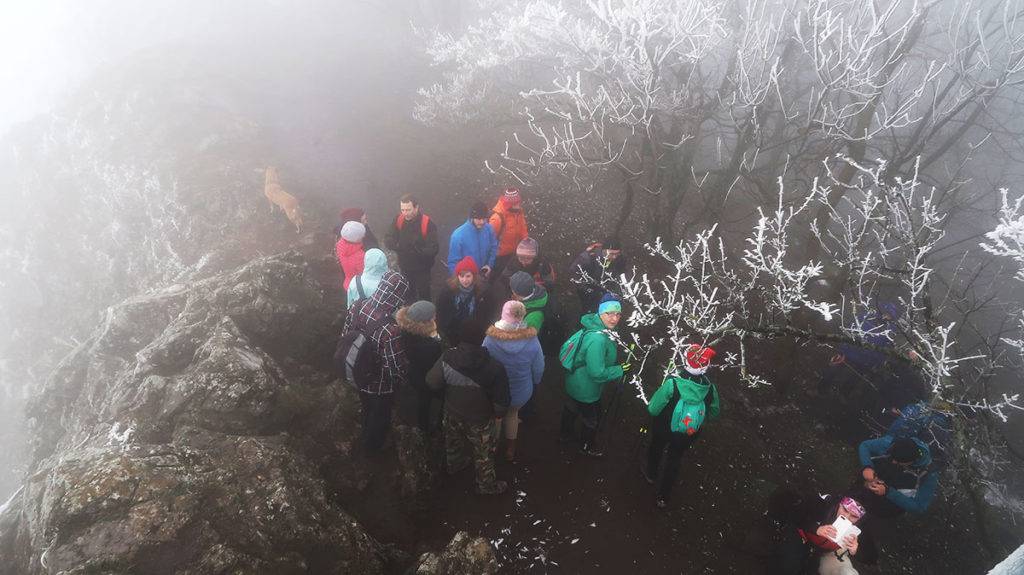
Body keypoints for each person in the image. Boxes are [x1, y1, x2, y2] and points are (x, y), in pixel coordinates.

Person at [426, 319, 511, 495]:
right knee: (484, 454)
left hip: (452, 412)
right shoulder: (495, 368)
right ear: (482, 339)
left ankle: (454, 466)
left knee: (453, 442)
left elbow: (432, 382)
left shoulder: (447, 357)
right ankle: (485, 485)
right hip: (480, 419)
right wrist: (498, 415)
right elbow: (501, 403)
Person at [642, 344, 720, 508]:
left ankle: (651, 473)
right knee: (674, 459)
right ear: (705, 366)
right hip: (687, 433)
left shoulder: (673, 383)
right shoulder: (710, 389)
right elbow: (713, 413)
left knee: (657, 446)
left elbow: (653, 408)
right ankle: (663, 496)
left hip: (664, 428)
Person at [343, 271, 409, 452]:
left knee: (366, 407)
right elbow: (394, 367)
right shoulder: (391, 330)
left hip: (356, 372)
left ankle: (364, 432)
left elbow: (346, 335)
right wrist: (402, 381)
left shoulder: (358, 306)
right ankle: (371, 448)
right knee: (379, 416)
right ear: (398, 295)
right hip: (379, 384)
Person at [559, 299, 627, 457]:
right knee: (592, 418)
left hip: (574, 380)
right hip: (586, 389)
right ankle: (586, 445)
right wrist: (620, 370)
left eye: (618, 314)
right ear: (600, 313)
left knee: (571, 408)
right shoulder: (598, 339)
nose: (614, 318)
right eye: (609, 314)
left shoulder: (592, 325)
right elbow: (597, 373)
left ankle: (564, 435)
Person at [483, 300, 544, 462]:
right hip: (521, 391)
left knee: (496, 417)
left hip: (496, 392)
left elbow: (483, 363)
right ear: (523, 315)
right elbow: (539, 367)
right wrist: (536, 382)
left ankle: (493, 447)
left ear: (503, 315)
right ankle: (511, 448)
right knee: (512, 415)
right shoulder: (532, 340)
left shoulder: (490, 340)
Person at [773, 494, 874, 575]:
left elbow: (870, 557)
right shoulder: (824, 505)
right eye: (845, 510)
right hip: (802, 536)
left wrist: (855, 551)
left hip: (823, 552)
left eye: (854, 516)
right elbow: (794, 515)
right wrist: (816, 529)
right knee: (789, 567)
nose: (846, 516)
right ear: (840, 504)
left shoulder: (860, 528)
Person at [855, 435, 939, 517]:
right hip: (866, 487)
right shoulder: (892, 442)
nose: (893, 462)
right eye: (892, 457)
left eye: (898, 462)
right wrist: (867, 467)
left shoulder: (929, 475)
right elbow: (865, 445)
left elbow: (919, 507)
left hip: (889, 507)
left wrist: (888, 492)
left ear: (912, 462)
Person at [396, 300, 444, 433]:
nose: (435, 317)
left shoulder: (405, 330)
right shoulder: (430, 345)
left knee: (421, 397)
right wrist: (436, 340)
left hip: (411, 371)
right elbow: (434, 362)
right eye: (433, 315)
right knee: (425, 399)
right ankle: (426, 428)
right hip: (424, 377)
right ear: (425, 321)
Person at [385, 194, 439, 302]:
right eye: (403, 210)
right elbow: (389, 236)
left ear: (416, 207)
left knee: (424, 295)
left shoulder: (427, 223)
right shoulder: (399, 219)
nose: (405, 213)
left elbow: (434, 248)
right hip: (405, 266)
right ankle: (407, 317)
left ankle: (425, 317)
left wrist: (417, 250)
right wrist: (394, 245)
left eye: (408, 210)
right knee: (408, 295)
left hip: (422, 268)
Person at [436, 256, 488, 345]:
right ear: (457, 276)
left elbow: (486, 314)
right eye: (461, 276)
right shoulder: (447, 291)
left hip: (473, 332)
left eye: (468, 276)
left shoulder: (483, 291)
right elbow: (441, 312)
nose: (464, 280)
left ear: (474, 276)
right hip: (452, 331)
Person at [570, 237, 628, 315]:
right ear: (604, 250)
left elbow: (621, 275)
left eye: (617, 254)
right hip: (588, 291)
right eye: (611, 254)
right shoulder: (588, 258)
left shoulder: (620, 259)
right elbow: (574, 273)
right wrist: (586, 289)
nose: (614, 257)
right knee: (589, 313)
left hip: (607, 291)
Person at [447, 201, 498, 278]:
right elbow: (453, 262)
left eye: (484, 219)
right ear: (472, 218)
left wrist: (489, 265)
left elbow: (493, 248)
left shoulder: (489, 229)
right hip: (466, 279)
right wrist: (460, 280)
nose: (482, 222)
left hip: (484, 276)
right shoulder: (458, 235)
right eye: (478, 219)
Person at [489, 187, 529, 275]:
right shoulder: (497, 219)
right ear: (510, 204)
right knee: (497, 280)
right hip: (499, 258)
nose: (519, 204)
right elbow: (488, 241)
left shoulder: (518, 212)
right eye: (517, 203)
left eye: (519, 202)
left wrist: (527, 246)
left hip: (514, 254)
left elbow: (523, 229)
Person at [336, 221, 366, 292]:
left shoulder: (340, 245)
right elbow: (365, 274)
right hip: (359, 288)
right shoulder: (360, 256)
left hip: (348, 283)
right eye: (362, 235)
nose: (364, 236)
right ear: (356, 239)